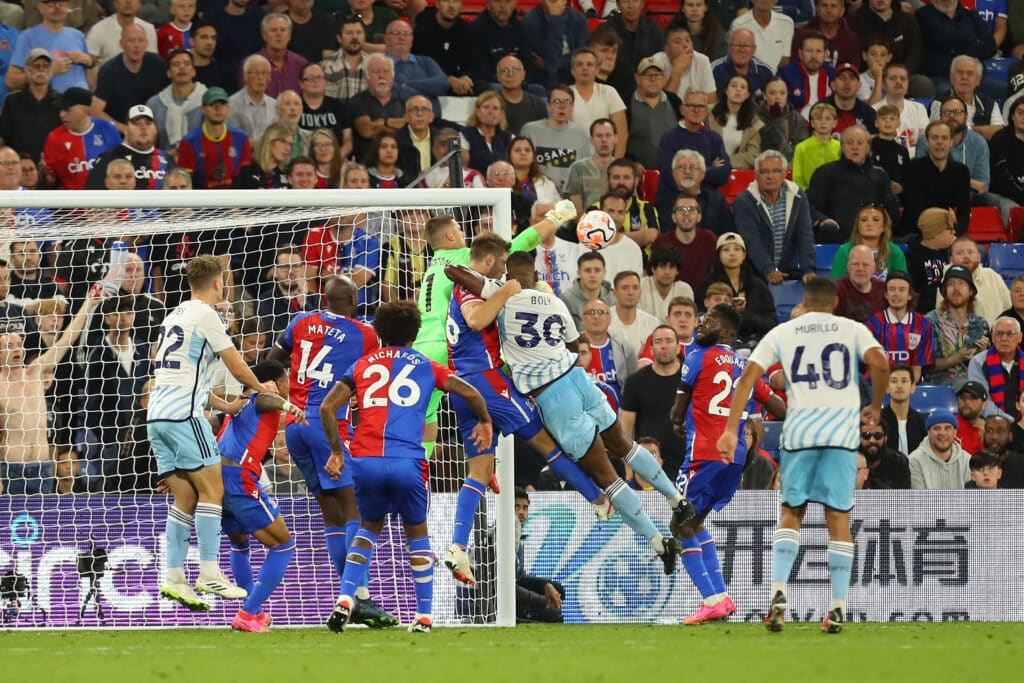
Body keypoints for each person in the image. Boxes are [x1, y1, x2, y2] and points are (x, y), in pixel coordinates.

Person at [447, 253, 694, 574]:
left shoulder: (500, 294)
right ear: (535, 274)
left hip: (551, 395)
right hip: (579, 378)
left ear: (509, 275)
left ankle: (659, 543)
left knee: (607, 475)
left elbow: (457, 274)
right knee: (624, 445)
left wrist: (496, 286)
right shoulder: (554, 302)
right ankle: (678, 500)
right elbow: (577, 346)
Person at [718, 275, 890, 634]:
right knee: (838, 520)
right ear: (835, 303)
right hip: (842, 439)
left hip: (800, 435)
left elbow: (748, 377)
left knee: (791, 513)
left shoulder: (786, 331)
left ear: (806, 301)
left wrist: (732, 428)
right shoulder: (851, 328)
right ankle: (838, 606)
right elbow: (881, 363)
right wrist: (874, 405)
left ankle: (779, 592)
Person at [443, 235, 611, 585]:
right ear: (489, 260)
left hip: (465, 387)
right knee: (546, 442)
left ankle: (457, 547)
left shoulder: (463, 284)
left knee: (479, 470)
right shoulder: (475, 291)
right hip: (486, 383)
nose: (506, 273)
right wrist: (507, 292)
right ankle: (598, 499)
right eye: (502, 264)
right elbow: (475, 321)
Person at [319, 301, 492, 635]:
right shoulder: (428, 365)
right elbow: (469, 392)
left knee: (368, 527)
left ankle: (344, 597)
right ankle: (424, 616)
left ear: (379, 332)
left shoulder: (361, 365)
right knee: (417, 534)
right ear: (415, 334)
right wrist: (484, 419)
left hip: (366, 460)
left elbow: (328, 407)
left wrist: (337, 452)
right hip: (408, 461)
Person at [150, 255, 275, 611]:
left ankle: (174, 576)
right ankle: (209, 572)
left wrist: (224, 406)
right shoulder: (208, 315)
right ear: (220, 283)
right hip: (184, 417)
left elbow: (184, 378)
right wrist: (259, 388)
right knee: (213, 489)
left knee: (185, 498)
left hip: (157, 416)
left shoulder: (174, 315)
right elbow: (235, 362)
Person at [413, 205, 575, 463]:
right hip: (451, 346)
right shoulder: (462, 256)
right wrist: (554, 218)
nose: (463, 233)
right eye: (459, 229)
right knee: (511, 368)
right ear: (451, 237)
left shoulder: (431, 267)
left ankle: (420, 469)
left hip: (421, 347)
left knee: (427, 416)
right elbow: (517, 246)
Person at [671, 304, 785, 624]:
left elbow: (677, 412)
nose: (699, 325)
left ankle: (710, 599)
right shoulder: (747, 366)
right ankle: (721, 598)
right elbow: (776, 404)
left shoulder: (696, 357)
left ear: (725, 332)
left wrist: (678, 422)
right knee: (695, 523)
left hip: (703, 453)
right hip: (735, 456)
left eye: (707, 321)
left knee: (679, 526)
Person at [216, 359, 303, 632]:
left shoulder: (238, 407)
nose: (290, 384)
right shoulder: (260, 399)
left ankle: (253, 612)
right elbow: (266, 399)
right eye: (286, 378)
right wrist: (287, 404)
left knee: (240, 544)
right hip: (240, 479)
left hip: (218, 480)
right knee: (283, 545)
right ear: (277, 383)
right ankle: (248, 612)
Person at [0, 286, 99, 495]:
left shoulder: (35, 372)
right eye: (9, 346)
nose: (16, 349)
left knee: (43, 527)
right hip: (11, 470)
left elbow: (67, 339)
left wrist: (88, 304)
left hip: (43, 468)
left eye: (18, 344)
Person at [81, 294, 150, 493]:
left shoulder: (141, 349)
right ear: (107, 318)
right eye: (118, 312)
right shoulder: (98, 355)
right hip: (112, 443)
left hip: (142, 439)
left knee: (144, 494)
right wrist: (109, 436)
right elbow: (91, 403)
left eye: (129, 312)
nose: (124, 317)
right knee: (112, 495)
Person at [733, 149, 816, 283]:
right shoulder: (744, 201)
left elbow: (805, 235)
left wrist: (808, 269)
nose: (770, 176)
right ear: (756, 175)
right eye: (764, 172)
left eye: (776, 171)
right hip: (754, 274)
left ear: (784, 174)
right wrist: (769, 270)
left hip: (789, 271)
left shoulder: (798, 196)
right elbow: (752, 241)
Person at [809, 127, 900, 243]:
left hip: (872, 236)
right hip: (837, 235)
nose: (855, 147)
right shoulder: (826, 172)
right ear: (842, 147)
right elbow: (811, 206)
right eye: (850, 143)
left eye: (860, 143)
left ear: (868, 147)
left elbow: (891, 211)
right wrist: (824, 220)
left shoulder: (880, 174)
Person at [620, 324, 685, 477]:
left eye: (669, 341)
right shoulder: (635, 382)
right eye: (658, 342)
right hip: (646, 466)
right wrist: (628, 474)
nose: (664, 346)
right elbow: (625, 432)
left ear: (678, 348)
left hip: (686, 462)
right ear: (650, 349)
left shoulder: (691, 379)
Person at [916, 96, 998, 212]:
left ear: (966, 116)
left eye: (957, 112)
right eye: (946, 112)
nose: (952, 117)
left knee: (990, 200)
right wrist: (966, 181)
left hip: (967, 196)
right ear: (940, 117)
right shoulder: (926, 140)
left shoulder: (979, 142)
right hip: (933, 196)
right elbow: (923, 179)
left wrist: (948, 181)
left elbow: (981, 186)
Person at [655, 89, 731, 212]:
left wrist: (687, 173)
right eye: (691, 106)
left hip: (707, 202)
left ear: (706, 111)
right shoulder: (668, 138)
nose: (696, 110)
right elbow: (670, 175)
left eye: (701, 106)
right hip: (674, 201)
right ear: (682, 109)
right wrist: (707, 169)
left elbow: (723, 174)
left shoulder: (714, 138)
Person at [695, 232, 777, 341]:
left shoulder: (758, 286)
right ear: (718, 255)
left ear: (744, 255)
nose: (732, 254)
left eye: (737, 249)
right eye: (726, 250)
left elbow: (771, 321)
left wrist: (746, 316)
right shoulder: (707, 284)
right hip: (717, 341)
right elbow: (699, 317)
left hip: (754, 341)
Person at [899, 121, 971, 239]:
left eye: (944, 138)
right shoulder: (913, 168)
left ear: (951, 142)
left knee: (978, 251)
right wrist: (934, 235)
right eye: (934, 138)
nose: (939, 142)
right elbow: (913, 210)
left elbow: (964, 213)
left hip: (948, 234)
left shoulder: (961, 172)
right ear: (927, 142)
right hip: (916, 234)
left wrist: (952, 233)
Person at [91, 24, 168, 131]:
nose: (136, 45)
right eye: (131, 40)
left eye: (140, 40)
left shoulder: (157, 64)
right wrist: (124, 129)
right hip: (121, 131)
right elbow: (95, 111)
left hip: (151, 128)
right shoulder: (109, 70)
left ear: (146, 43)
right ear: (121, 44)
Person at [41, 87, 120, 190]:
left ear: (84, 110)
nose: (61, 115)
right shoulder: (54, 138)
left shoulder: (109, 129)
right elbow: (50, 182)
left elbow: (121, 166)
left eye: (67, 110)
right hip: (73, 203)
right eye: (61, 110)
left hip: (106, 201)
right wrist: (44, 175)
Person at [924, 266, 991, 389]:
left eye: (961, 284)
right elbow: (928, 365)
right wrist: (957, 358)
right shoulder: (930, 321)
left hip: (974, 383)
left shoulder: (980, 324)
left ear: (970, 291)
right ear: (944, 291)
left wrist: (982, 354)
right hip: (939, 384)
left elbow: (988, 367)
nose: (956, 288)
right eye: (951, 284)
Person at [7, 0, 94, 94]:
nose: (57, 7)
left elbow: (92, 86)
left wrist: (88, 63)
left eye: (62, 2)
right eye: (51, 3)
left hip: (82, 103)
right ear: (40, 7)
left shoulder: (78, 35)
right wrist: (49, 71)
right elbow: (12, 81)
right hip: (48, 105)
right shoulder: (28, 37)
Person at [520, 84, 593, 194]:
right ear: (548, 106)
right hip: (536, 193)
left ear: (573, 107)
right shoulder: (530, 130)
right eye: (557, 101)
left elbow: (586, 171)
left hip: (570, 194)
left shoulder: (582, 133)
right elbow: (521, 166)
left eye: (567, 102)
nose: (562, 106)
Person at [176, 86, 252, 188]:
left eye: (222, 104)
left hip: (235, 201)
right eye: (212, 104)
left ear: (228, 109)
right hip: (201, 201)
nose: (218, 108)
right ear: (203, 110)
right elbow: (186, 182)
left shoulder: (241, 139)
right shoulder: (189, 142)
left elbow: (245, 179)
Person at [866, 271, 935, 382]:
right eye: (892, 289)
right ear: (886, 294)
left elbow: (917, 370)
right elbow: (871, 367)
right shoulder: (872, 325)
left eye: (902, 290)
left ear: (909, 295)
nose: (896, 294)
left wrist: (902, 388)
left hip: (909, 388)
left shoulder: (923, 325)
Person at [917, 0, 996, 95]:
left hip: (975, 77)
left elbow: (991, 46)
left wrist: (954, 51)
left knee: (1002, 88)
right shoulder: (922, 16)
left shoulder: (971, 16)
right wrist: (972, 46)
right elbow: (926, 53)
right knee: (947, 92)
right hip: (943, 77)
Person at [0, 47, 61, 164]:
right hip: (21, 166)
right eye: (36, 65)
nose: (41, 69)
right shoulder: (12, 101)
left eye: (46, 65)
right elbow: (3, 136)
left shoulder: (62, 100)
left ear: (51, 70)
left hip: (54, 165)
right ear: (27, 70)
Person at [86, 104, 169, 190]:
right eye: (136, 123)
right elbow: (93, 196)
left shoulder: (167, 159)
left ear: (155, 130)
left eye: (148, 123)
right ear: (126, 130)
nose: (143, 127)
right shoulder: (108, 159)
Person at [513, 487, 564, 623]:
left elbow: (520, 578)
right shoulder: (498, 537)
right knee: (551, 609)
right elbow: (504, 586)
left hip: (514, 591)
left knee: (558, 590)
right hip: (498, 599)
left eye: (525, 508)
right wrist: (542, 600)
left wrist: (546, 585)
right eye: (516, 507)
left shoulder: (518, 539)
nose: (521, 512)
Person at [938, 236, 1012, 326]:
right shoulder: (946, 280)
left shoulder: (992, 276)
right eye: (959, 253)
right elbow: (940, 315)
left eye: (970, 252)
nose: (966, 256)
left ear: (979, 257)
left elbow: (1010, 308)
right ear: (951, 259)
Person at [658, 148, 734, 235]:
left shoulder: (717, 202)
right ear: (673, 174)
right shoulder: (663, 202)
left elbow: (730, 237)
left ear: (703, 174)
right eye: (681, 167)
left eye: (693, 167)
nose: (687, 171)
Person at [653, 194, 717, 292]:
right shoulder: (662, 241)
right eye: (681, 210)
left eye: (691, 210)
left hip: (703, 299)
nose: (686, 214)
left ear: (699, 216)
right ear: (673, 217)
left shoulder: (709, 239)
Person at [146, 48, 206, 152]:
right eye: (176, 64)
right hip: (164, 162)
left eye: (186, 64)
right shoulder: (154, 103)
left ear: (193, 72)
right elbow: (149, 143)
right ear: (169, 73)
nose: (182, 67)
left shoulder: (207, 100)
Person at [521, 0, 589, 87]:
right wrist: (555, 20)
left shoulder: (579, 19)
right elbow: (550, 57)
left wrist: (549, 65)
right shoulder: (530, 22)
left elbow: (582, 58)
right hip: (544, 83)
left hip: (574, 79)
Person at [968, 316, 1024, 421]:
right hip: (991, 423)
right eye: (999, 334)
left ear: (1020, 337)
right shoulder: (978, 362)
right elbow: (982, 401)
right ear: (993, 338)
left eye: (1010, 333)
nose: (1004, 338)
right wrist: (1010, 422)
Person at [828, 204, 905, 280]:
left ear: (884, 226)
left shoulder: (894, 252)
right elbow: (836, 286)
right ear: (858, 226)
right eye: (864, 220)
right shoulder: (845, 251)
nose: (869, 224)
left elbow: (902, 285)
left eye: (875, 220)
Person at [706, 74, 764, 169]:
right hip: (708, 168)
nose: (738, 90)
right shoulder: (708, 113)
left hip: (736, 170)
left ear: (747, 95)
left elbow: (753, 154)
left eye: (743, 87)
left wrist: (725, 162)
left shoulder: (754, 122)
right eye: (733, 86)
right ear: (726, 90)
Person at [870, 63, 930, 150]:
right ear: (883, 83)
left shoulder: (919, 109)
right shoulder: (874, 110)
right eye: (892, 78)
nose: (898, 82)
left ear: (908, 83)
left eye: (903, 79)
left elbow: (924, 144)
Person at [565, 118, 617, 214]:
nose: (604, 140)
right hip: (587, 224)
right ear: (591, 140)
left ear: (615, 138)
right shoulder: (578, 168)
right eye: (599, 136)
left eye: (608, 135)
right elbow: (577, 212)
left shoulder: (624, 169)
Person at [908, 410, 971, 489]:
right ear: (928, 432)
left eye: (947, 428)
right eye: (937, 428)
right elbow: (919, 499)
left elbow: (970, 497)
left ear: (955, 432)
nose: (942, 433)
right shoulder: (914, 460)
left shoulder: (967, 460)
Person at [86, 0, 159, 68]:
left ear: (139, 4)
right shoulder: (98, 29)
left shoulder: (149, 29)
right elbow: (88, 64)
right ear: (115, 3)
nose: (128, 1)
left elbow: (152, 63)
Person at [778, 30, 834, 118]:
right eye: (809, 51)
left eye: (818, 51)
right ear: (800, 54)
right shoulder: (785, 74)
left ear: (826, 54)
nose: (814, 56)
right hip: (795, 126)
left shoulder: (833, 75)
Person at [755, 75, 809, 163]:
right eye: (772, 93)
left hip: (789, 164)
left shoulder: (796, 118)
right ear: (764, 95)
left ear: (787, 95)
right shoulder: (754, 117)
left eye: (782, 93)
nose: (778, 97)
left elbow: (803, 147)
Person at [656, 25, 715, 104]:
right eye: (678, 42)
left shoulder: (702, 61)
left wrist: (689, 105)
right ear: (667, 49)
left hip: (694, 112)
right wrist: (677, 72)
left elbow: (712, 97)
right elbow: (662, 105)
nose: (685, 45)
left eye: (688, 40)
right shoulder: (657, 62)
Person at [729, 0, 793, 73]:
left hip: (777, 79)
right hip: (749, 77)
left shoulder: (787, 23)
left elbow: (785, 59)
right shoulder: (739, 24)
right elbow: (737, 59)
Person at [710, 27, 773, 98]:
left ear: (754, 49)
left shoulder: (766, 71)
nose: (741, 50)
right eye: (737, 45)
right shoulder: (713, 70)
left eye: (746, 46)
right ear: (729, 48)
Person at [608, 271, 660, 355]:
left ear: (640, 292)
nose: (630, 293)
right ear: (614, 293)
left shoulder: (652, 323)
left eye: (635, 288)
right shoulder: (603, 320)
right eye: (625, 288)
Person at [319, 14, 368, 103]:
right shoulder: (327, 66)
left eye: (359, 32)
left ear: (364, 37)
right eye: (349, 33)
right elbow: (327, 104)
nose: (355, 37)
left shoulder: (373, 65)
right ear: (339, 38)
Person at [494, 55, 547, 136]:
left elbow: (542, 136)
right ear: (498, 77)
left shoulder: (538, 104)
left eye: (515, 70)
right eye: (504, 70)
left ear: (523, 75)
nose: (510, 74)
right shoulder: (490, 103)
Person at [792, 102, 840, 191]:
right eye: (818, 118)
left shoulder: (840, 147)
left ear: (834, 123)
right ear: (812, 123)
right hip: (809, 196)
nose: (823, 122)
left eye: (828, 118)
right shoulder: (801, 147)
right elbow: (797, 178)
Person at [833, 244, 885, 323]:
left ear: (873, 268)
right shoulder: (836, 289)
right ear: (848, 267)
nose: (860, 268)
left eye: (865, 265)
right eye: (855, 264)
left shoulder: (883, 289)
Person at [639, 246, 693, 321]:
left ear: (677, 271)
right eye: (662, 267)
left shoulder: (685, 290)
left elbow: (688, 321)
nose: (667, 272)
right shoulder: (639, 287)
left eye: (671, 267)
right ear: (653, 269)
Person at [232, 121, 291, 189]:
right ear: (269, 141)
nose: (287, 148)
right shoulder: (245, 171)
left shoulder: (286, 176)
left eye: (290, 144)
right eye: (283, 142)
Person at [507, 136, 561, 208]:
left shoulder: (546, 182)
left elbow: (561, 210)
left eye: (527, 150)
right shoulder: (501, 181)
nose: (523, 153)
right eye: (517, 150)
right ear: (509, 156)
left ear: (533, 157)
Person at [858, 422, 911, 488]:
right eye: (866, 435)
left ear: (885, 438)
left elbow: (904, 496)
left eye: (878, 436)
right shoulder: (849, 462)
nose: (872, 440)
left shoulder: (899, 462)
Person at [982, 414, 1024, 488]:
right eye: (989, 431)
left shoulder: (1021, 464)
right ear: (983, 435)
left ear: (1010, 436)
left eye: (1001, 431)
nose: (994, 437)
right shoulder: (974, 463)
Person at [955, 380, 988, 454]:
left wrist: (988, 438)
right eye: (962, 397)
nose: (966, 401)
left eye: (972, 398)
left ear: (984, 404)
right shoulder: (949, 426)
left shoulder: (989, 430)